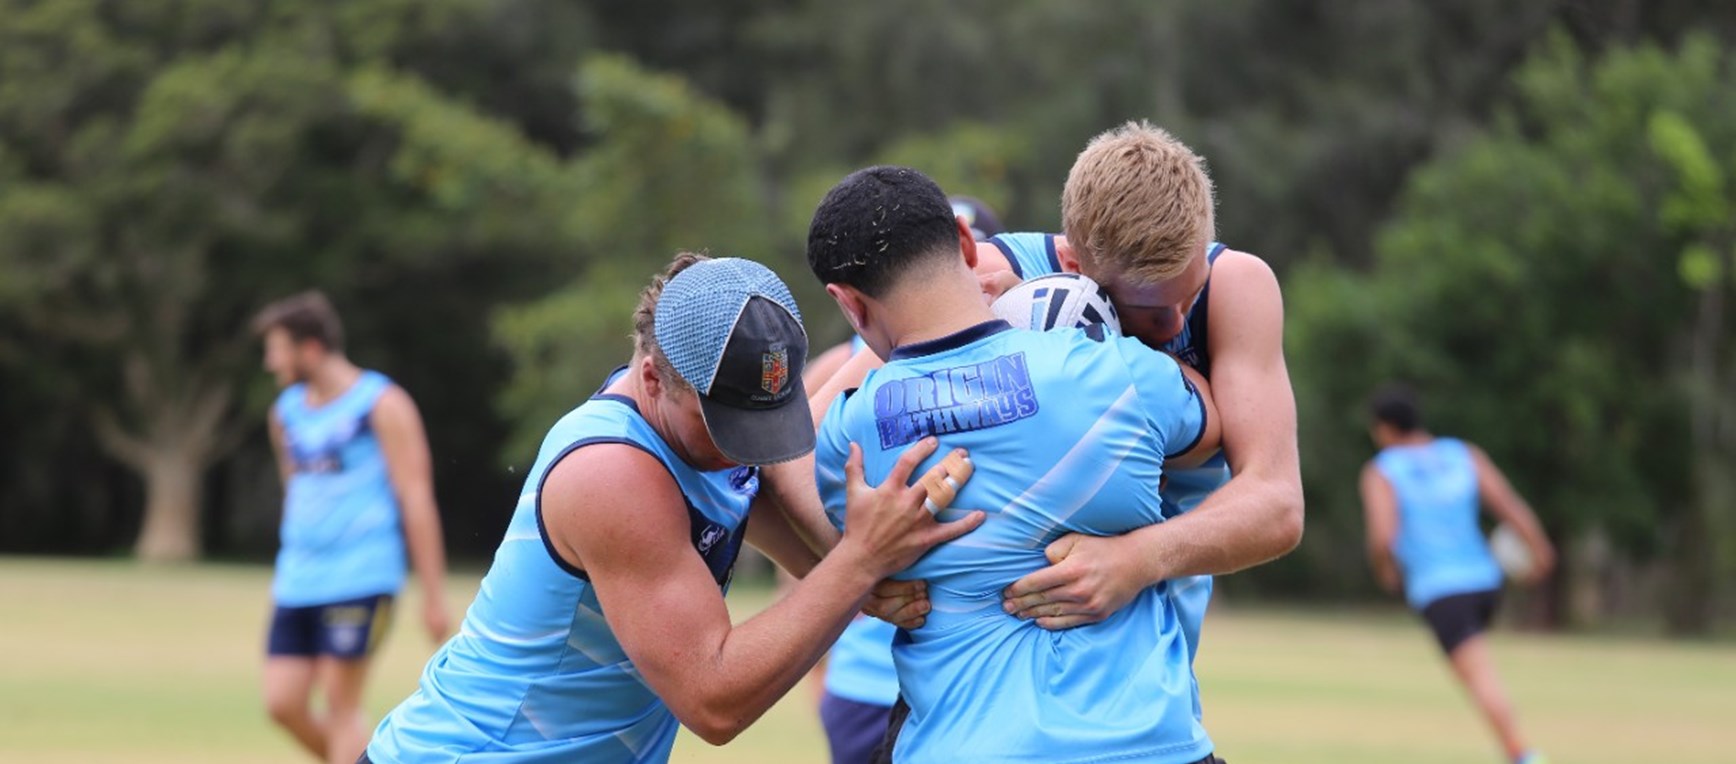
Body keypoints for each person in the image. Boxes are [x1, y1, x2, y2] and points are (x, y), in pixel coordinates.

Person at [361, 254, 984, 763]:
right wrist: (861, 560)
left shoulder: (701, 424)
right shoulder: (612, 473)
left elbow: (822, 551)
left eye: (765, 423)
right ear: (654, 377)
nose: (749, 450)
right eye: (729, 426)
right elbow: (714, 700)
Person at [806, 165, 1226, 763]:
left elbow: (780, 479)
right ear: (967, 243)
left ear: (847, 303)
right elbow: (1209, 424)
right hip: (1142, 745)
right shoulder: (1118, 374)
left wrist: (859, 577)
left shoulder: (851, 432)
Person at [813, 194, 1008, 764]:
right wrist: (847, 578)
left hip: (972, 673)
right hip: (867, 679)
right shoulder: (851, 362)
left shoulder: (1019, 347)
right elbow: (780, 475)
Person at [254, 291, 452, 764]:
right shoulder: (285, 413)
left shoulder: (381, 404)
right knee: (282, 702)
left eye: (278, 349)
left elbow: (416, 496)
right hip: (299, 576)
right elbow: (295, 491)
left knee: (343, 707)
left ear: (312, 349)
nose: (269, 362)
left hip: (363, 573)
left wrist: (432, 594)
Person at [1359, 384, 1556, 764]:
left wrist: (1386, 572)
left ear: (1383, 428)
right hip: (1486, 582)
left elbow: (1384, 536)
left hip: (1441, 590)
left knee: (1479, 677)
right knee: (1476, 667)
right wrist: (1542, 550)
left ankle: (1524, 755)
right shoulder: (1462, 454)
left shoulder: (1383, 470)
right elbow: (1508, 504)